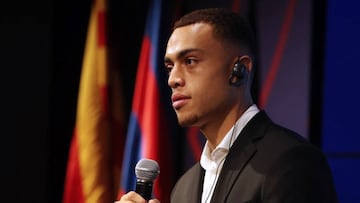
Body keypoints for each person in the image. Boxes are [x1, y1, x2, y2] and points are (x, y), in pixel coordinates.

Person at [116, 7, 338, 203]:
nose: (172, 79)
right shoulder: (184, 187)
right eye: (169, 67)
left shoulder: (291, 163)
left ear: (238, 71)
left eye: (190, 61)